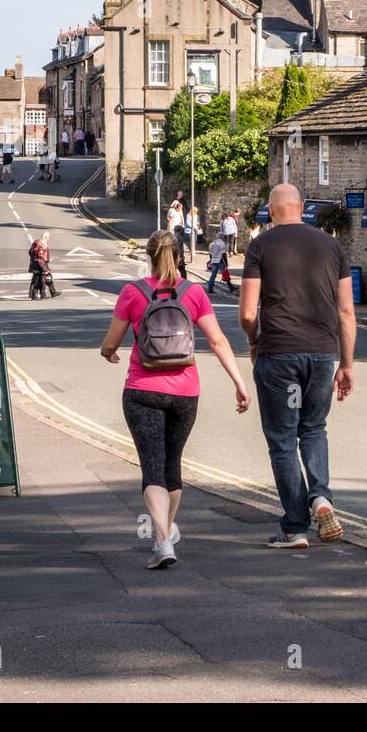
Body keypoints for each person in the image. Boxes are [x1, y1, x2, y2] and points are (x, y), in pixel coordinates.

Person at [100, 229, 251, 569]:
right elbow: (218, 341)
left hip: (142, 391)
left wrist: (108, 353)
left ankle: (163, 541)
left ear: (149, 258)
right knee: (172, 465)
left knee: (152, 467)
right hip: (185, 393)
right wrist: (240, 383)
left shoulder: (132, 292)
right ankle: (163, 536)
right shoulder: (193, 293)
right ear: (181, 257)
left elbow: (111, 342)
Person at [240, 183, 355, 549]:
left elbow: (246, 312)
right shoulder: (331, 246)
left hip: (278, 354)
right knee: (314, 429)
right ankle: (320, 497)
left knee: (282, 439)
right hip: (322, 355)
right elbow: (346, 312)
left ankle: (295, 527)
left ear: (271, 212)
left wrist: (255, 340)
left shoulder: (260, 246)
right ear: (302, 208)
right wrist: (347, 364)